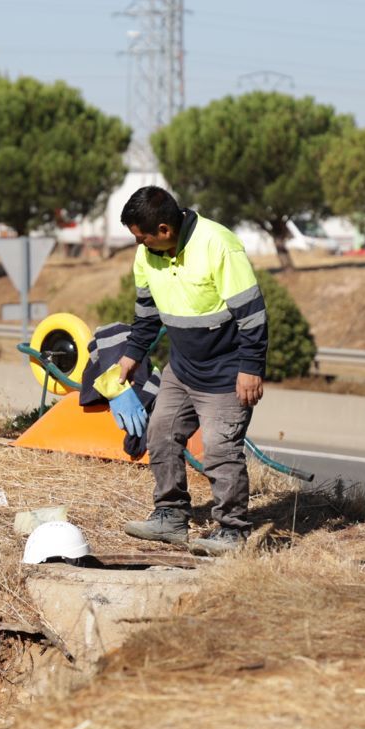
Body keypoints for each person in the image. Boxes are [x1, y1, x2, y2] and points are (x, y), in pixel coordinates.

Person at [114, 186, 266, 554]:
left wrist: (251, 368)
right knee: (161, 433)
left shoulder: (219, 245)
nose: (139, 244)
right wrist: (132, 354)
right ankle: (170, 517)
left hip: (226, 374)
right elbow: (147, 314)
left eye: (143, 236)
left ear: (165, 230)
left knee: (219, 449)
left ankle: (232, 531)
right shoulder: (146, 256)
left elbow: (253, 315)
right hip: (181, 369)